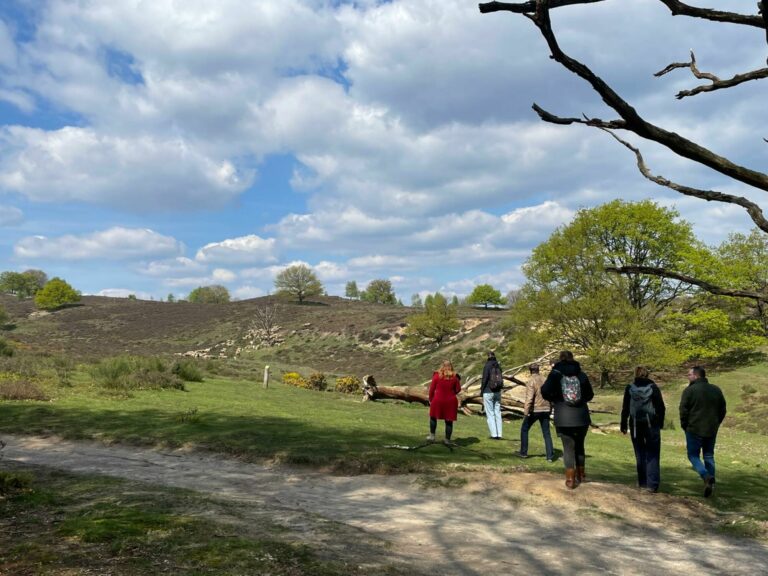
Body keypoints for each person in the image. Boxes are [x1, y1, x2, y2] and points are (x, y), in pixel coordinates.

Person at [541, 351, 594, 489]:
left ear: (560, 359)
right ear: (572, 359)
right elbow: (590, 395)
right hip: (581, 416)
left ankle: (570, 480)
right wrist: (580, 400)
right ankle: (581, 476)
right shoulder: (581, 374)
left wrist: (555, 399)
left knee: (568, 448)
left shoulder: (555, 374)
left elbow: (544, 391)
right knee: (580, 446)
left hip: (563, 416)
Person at [679, 366, 727, 497]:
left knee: (693, 455)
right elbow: (723, 409)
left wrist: (684, 425)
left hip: (693, 428)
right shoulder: (716, 390)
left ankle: (706, 476)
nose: (688, 377)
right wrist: (716, 423)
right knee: (709, 456)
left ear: (696, 376)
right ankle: (711, 484)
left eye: (689, 375)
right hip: (711, 429)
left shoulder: (689, 390)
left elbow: (683, 410)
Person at [620, 366, 666, 493]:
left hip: (635, 424)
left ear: (635, 374)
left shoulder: (629, 388)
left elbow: (625, 407)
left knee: (639, 453)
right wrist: (660, 422)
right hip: (651, 424)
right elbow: (661, 407)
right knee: (653, 453)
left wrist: (623, 424)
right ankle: (652, 484)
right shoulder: (653, 387)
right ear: (647, 374)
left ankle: (642, 482)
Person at [517, 363, 554, 461]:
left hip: (535, 409)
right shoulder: (545, 379)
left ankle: (523, 452)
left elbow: (529, 398)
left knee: (524, 429)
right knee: (546, 433)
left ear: (530, 371)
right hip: (546, 408)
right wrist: (550, 407)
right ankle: (550, 456)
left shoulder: (531, 381)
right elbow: (550, 395)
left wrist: (526, 412)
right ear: (538, 370)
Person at [428, 360, 462, 446]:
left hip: (438, 400)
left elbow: (431, 389)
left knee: (433, 417)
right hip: (451, 401)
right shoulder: (455, 377)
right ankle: (447, 440)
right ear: (451, 366)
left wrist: (431, 399)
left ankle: (432, 436)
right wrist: (452, 392)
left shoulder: (436, 376)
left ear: (442, 366)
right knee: (449, 421)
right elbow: (458, 389)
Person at [481, 351, 503, 439]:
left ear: (488, 357)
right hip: (498, 392)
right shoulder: (498, 365)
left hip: (488, 391)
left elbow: (485, 379)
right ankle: (499, 434)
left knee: (490, 413)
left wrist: (482, 391)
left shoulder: (487, 366)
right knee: (498, 412)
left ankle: (494, 434)